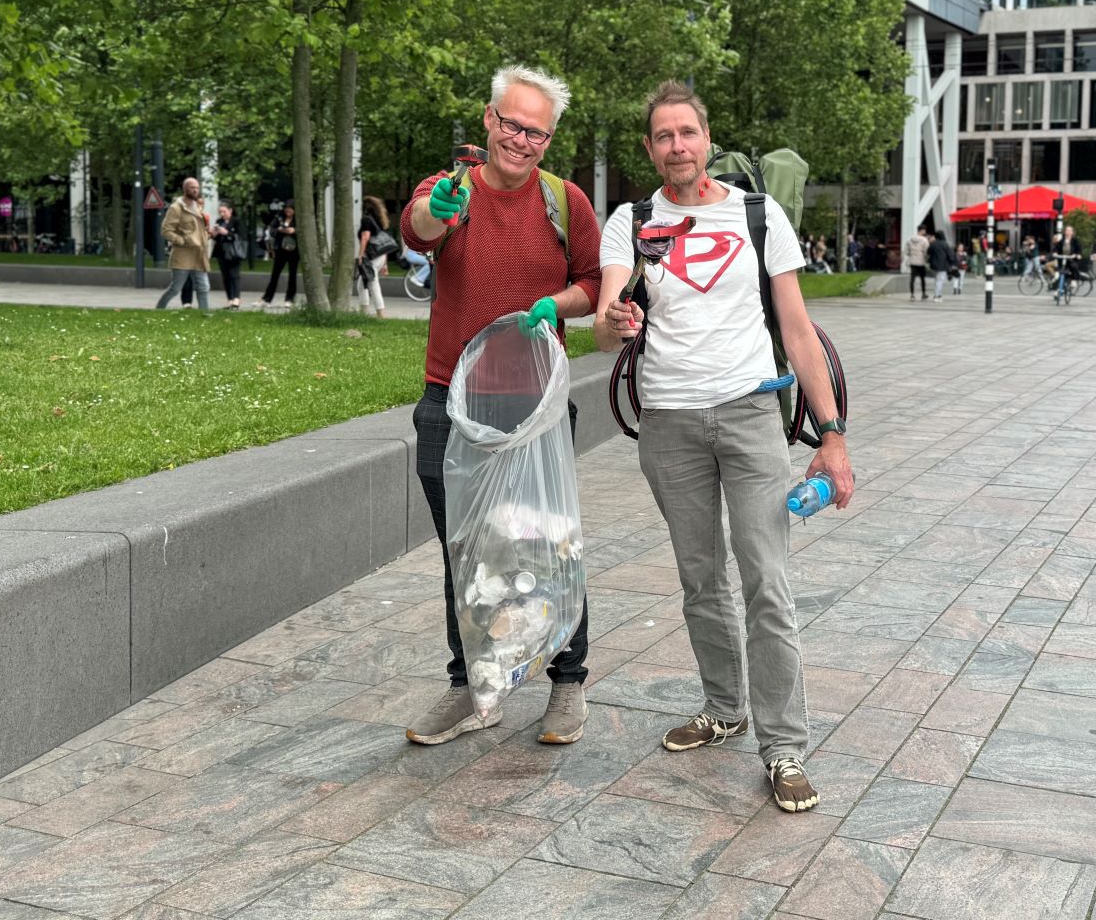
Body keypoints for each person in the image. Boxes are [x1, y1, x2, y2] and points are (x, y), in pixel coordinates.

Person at [594, 80, 852, 815]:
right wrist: (614, 321)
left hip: (749, 415)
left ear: (707, 139)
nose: (677, 145)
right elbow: (606, 326)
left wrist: (832, 435)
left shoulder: (758, 214)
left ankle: (784, 746)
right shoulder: (631, 222)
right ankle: (723, 707)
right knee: (701, 579)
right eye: (663, 136)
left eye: (688, 132)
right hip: (669, 422)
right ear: (650, 149)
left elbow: (797, 330)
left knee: (766, 579)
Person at [399, 64, 601, 749]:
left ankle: (567, 682)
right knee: (464, 549)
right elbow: (419, 228)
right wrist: (438, 212)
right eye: (511, 124)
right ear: (488, 120)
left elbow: (593, 281)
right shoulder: (451, 187)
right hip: (451, 402)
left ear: (549, 139)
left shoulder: (565, 201)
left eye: (536, 132)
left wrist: (556, 304)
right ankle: (470, 686)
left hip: (536, 406)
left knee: (550, 544)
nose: (521, 140)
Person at [155, 177, 212, 311]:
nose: (195, 190)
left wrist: (208, 234)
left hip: (199, 254)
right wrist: (182, 241)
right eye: (192, 187)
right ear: (185, 189)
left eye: (197, 188)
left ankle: (205, 314)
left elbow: (197, 231)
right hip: (183, 255)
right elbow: (166, 231)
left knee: (203, 287)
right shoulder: (176, 208)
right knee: (175, 288)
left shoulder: (198, 207)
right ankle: (159, 310)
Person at [356, 195, 392, 319]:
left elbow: (365, 237)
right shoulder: (380, 221)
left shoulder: (366, 220)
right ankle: (364, 311)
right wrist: (385, 264)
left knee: (372, 283)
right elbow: (384, 243)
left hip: (371, 256)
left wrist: (360, 255)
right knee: (362, 284)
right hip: (380, 256)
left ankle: (380, 313)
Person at [259, 202, 299, 308]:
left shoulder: (299, 219)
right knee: (275, 274)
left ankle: (290, 299)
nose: (288, 211)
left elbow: (304, 231)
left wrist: (294, 231)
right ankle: (267, 299)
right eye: (286, 208)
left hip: (294, 250)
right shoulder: (279, 218)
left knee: (292, 274)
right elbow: (271, 230)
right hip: (281, 249)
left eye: (290, 209)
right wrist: (280, 230)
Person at [212, 202, 245, 310]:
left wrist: (227, 233)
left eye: (224, 211)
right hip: (221, 251)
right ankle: (230, 299)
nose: (222, 214)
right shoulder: (219, 221)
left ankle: (236, 299)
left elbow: (240, 236)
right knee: (225, 276)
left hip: (233, 251)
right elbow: (216, 238)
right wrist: (215, 233)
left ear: (230, 210)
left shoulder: (236, 221)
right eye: (220, 212)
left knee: (234, 274)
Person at [1051, 224, 1082, 303]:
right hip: (1062, 259)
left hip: (1071, 259)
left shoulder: (1075, 241)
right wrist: (1055, 253)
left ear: (1072, 232)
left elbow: (1079, 250)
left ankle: (1074, 280)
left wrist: (1077, 255)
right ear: (1065, 232)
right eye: (1067, 230)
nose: (1068, 232)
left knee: (1073, 266)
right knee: (1058, 273)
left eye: (1070, 230)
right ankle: (1057, 290)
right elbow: (1056, 248)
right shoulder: (1062, 241)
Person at [904, 223, 930, 301]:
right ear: (922, 230)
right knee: (922, 278)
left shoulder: (909, 239)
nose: (925, 231)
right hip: (921, 261)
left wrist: (911, 254)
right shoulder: (924, 240)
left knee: (912, 278)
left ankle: (912, 295)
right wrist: (926, 258)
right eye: (924, 230)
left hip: (912, 261)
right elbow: (926, 251)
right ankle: (923, 294)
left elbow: (906, 251)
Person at [927, 229, 954, 302]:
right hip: (943, 265)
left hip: (934, 265)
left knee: (937, 280)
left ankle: (938, 294)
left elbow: (928, 251)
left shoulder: (933, 244)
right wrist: (951, 263)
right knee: (940, 280)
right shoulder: (945, 244)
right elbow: (950, 255)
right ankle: (937, 295)